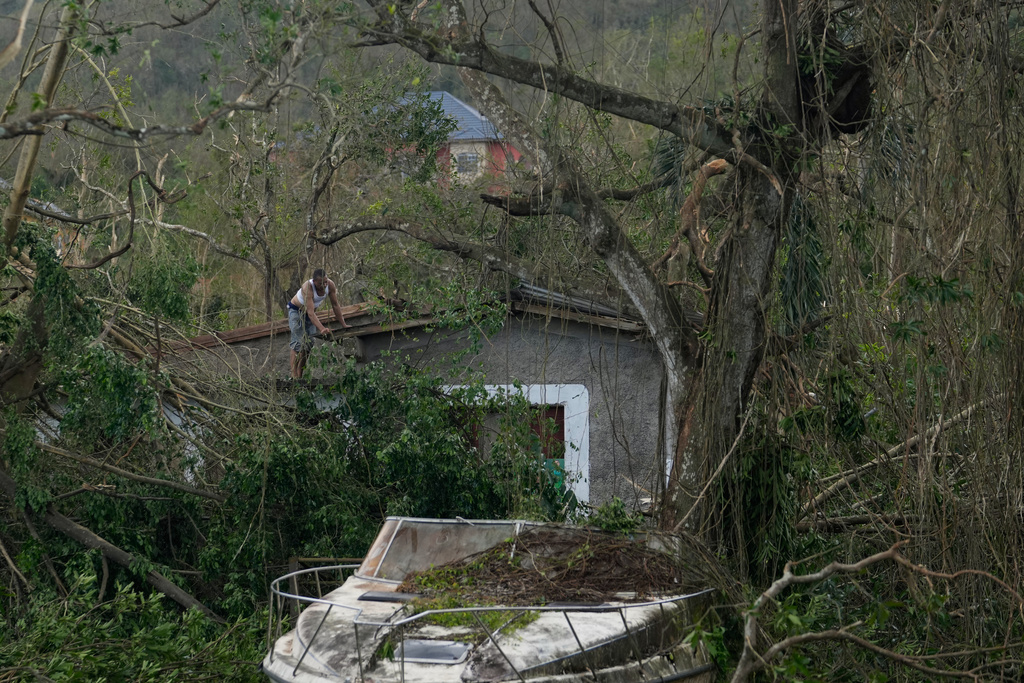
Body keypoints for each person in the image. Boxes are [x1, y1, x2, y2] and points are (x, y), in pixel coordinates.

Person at [287, 269, 350, 378]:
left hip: (310, 315)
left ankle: (300, 375)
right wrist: (322, 328)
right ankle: (293, 376)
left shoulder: (330, 285)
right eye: (321, 283)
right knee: (298, 342)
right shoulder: (308, 287)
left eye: (325, 281)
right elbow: (310, 313)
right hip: (296, 312)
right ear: (314, 281)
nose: (324, 284)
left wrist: (343, 324)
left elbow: (335, 306)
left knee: (309, 344)